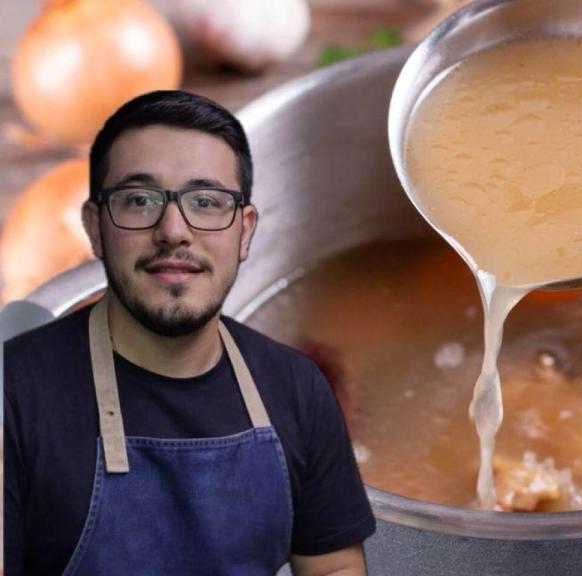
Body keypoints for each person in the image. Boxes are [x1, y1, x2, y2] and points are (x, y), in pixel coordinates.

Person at [3, 91, 376, 575]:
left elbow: (332, 569)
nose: (174, 230)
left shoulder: (297, 389)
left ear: (244, 231)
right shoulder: (15, 391)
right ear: (95, 228)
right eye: (140, 200)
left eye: (206, 201)